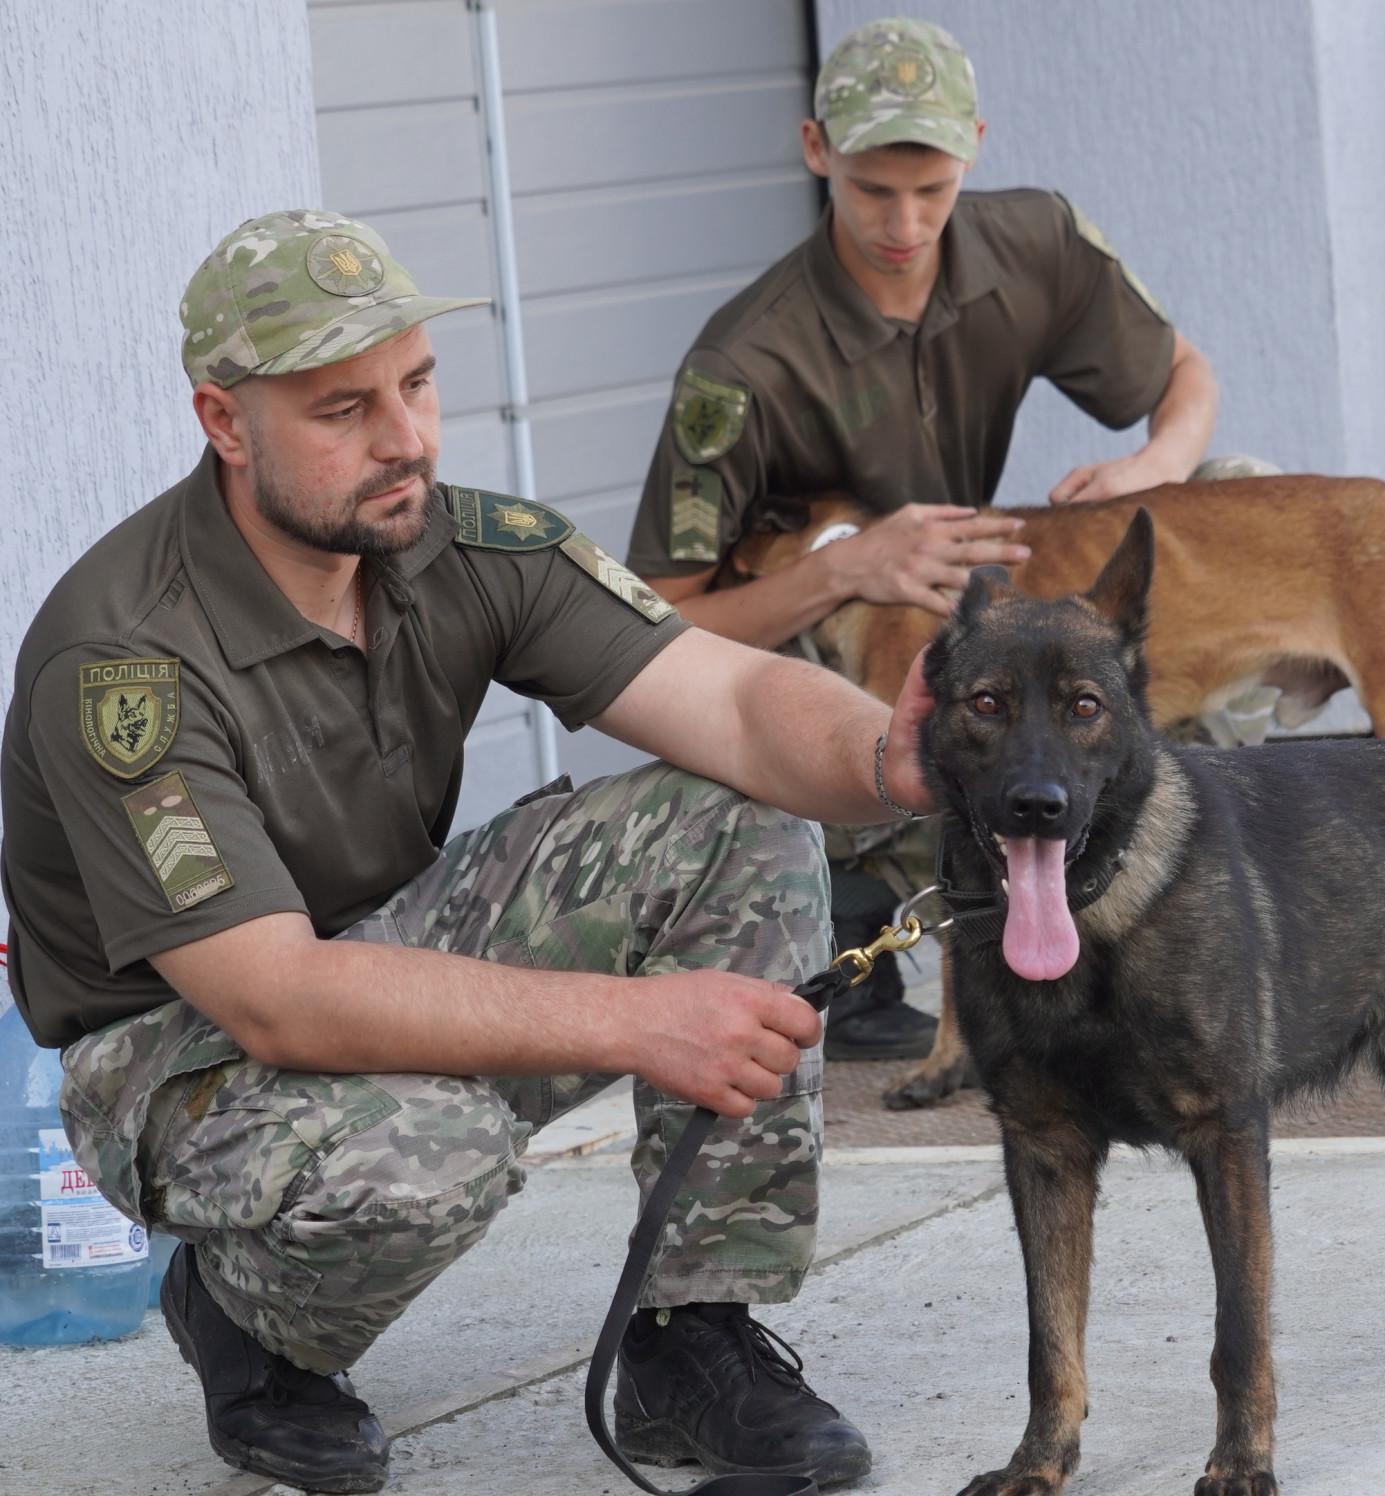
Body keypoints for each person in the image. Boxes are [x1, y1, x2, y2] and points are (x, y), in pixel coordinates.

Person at [1, 210, 936, 1493]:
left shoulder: (470, 543)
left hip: (375, 938)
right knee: (428, 1153)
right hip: (179, 1043)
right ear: (225, 422)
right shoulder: (123, 660)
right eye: (343, 410)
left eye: (418, 384)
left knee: (738, 817)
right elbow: (274, 995)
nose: (406, 439)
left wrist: (896, 756)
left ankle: (691, 1331)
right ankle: (248, 1318)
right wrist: (634, 1021)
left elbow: (725, 701)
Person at [625, 18, 1219, 1059]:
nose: (903, 221)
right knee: (840, 632)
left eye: (930, 188)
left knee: (1226, 489)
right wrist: (842, 567)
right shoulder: (741, 358)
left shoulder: (1034, 240)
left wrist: (1152, 462)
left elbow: (1185, 378)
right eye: (869, 189)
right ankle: (850, 904)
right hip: (841, 635)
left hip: (975, 606)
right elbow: (657, 617)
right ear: (816, 151)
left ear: (974, 148)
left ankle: (1161, 859)